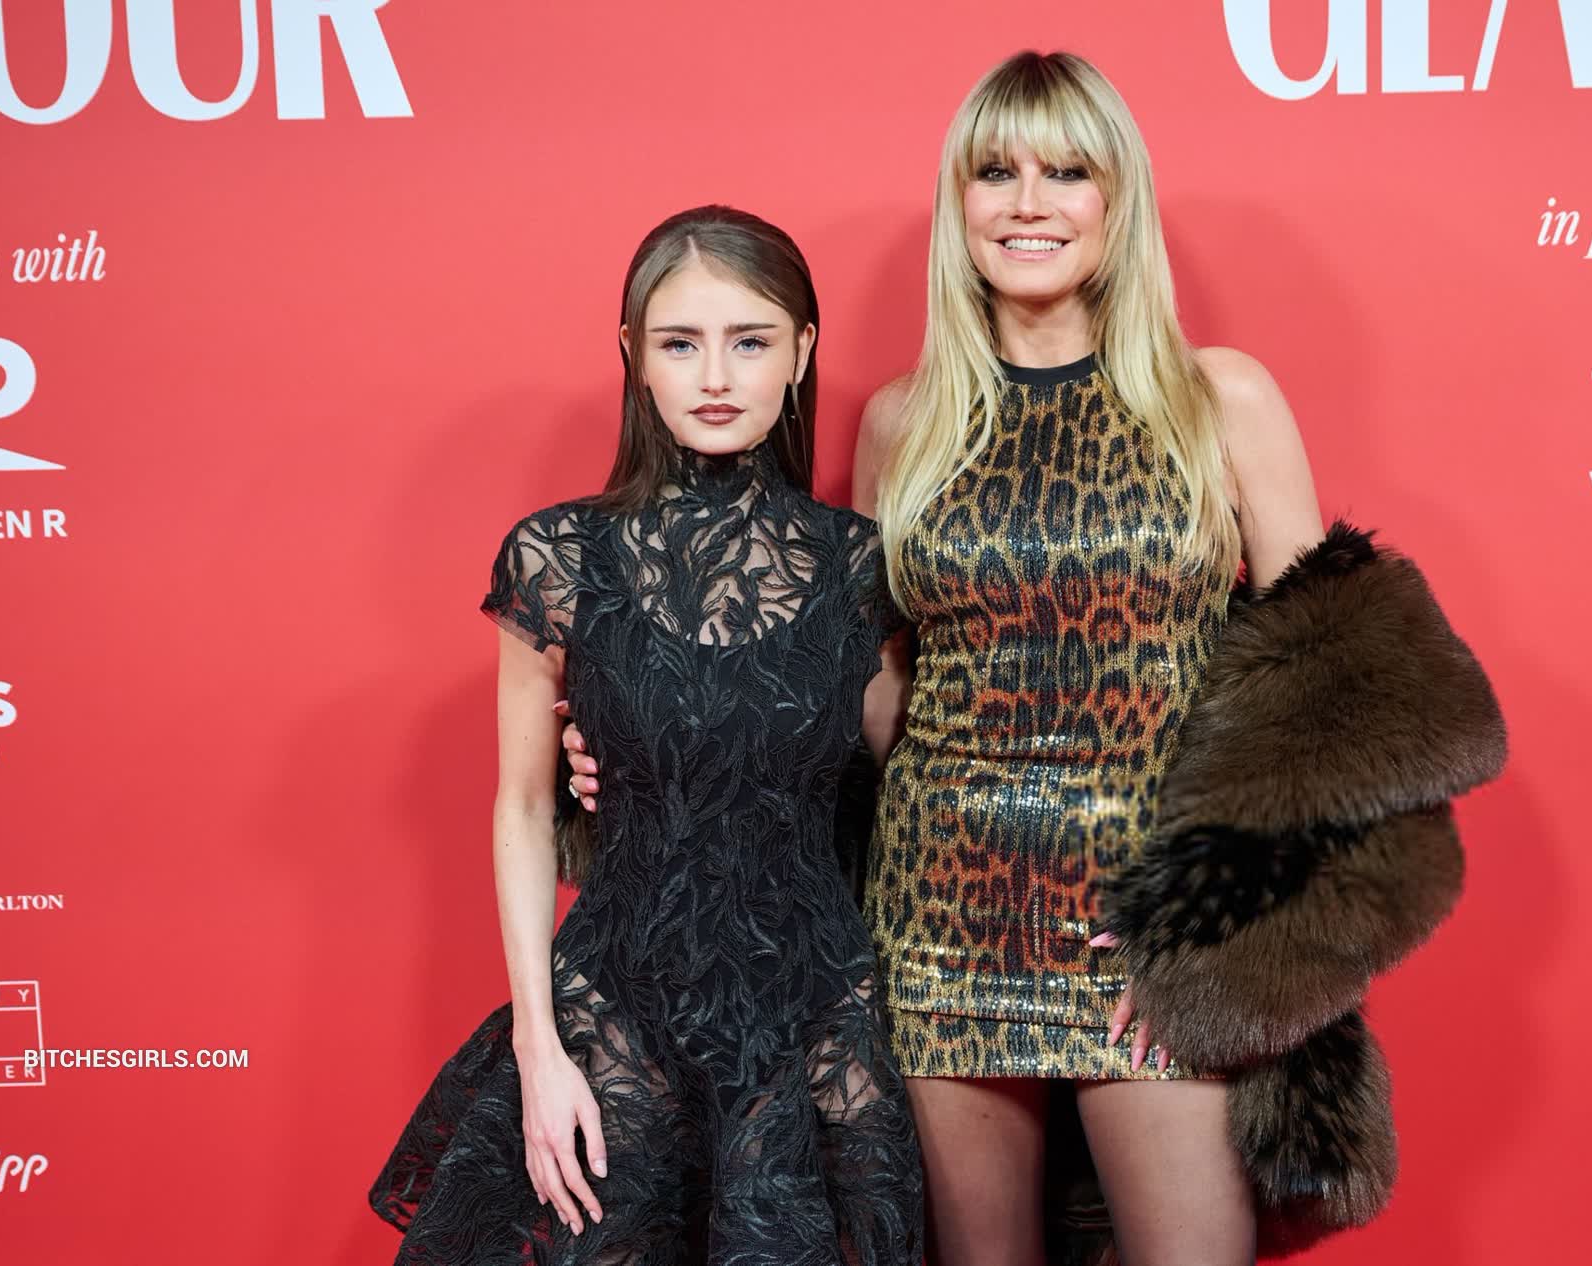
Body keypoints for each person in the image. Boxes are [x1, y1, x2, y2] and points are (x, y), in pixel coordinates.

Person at [562, 53, 1503, 1266]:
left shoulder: (1220, 400)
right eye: (994, 172)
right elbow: (869, 687)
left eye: (1066, 172)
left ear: (1118, 198)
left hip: (1141, 919)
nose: (1027, 202)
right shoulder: (906, 419)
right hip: (939, 915)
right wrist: (651, 741)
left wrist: (1216, 927)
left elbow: (1334, 692)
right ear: (958, 201)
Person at [370, 205, 923, 1265]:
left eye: (750, 341)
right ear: (632, 354)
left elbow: (909, 780)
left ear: (803, 351)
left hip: (813, 1023)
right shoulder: (557, 557)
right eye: (679, 343)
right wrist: (539, 1049)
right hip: (618, 1017)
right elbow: (523, 806)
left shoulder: (862, 565)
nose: (715, 376)